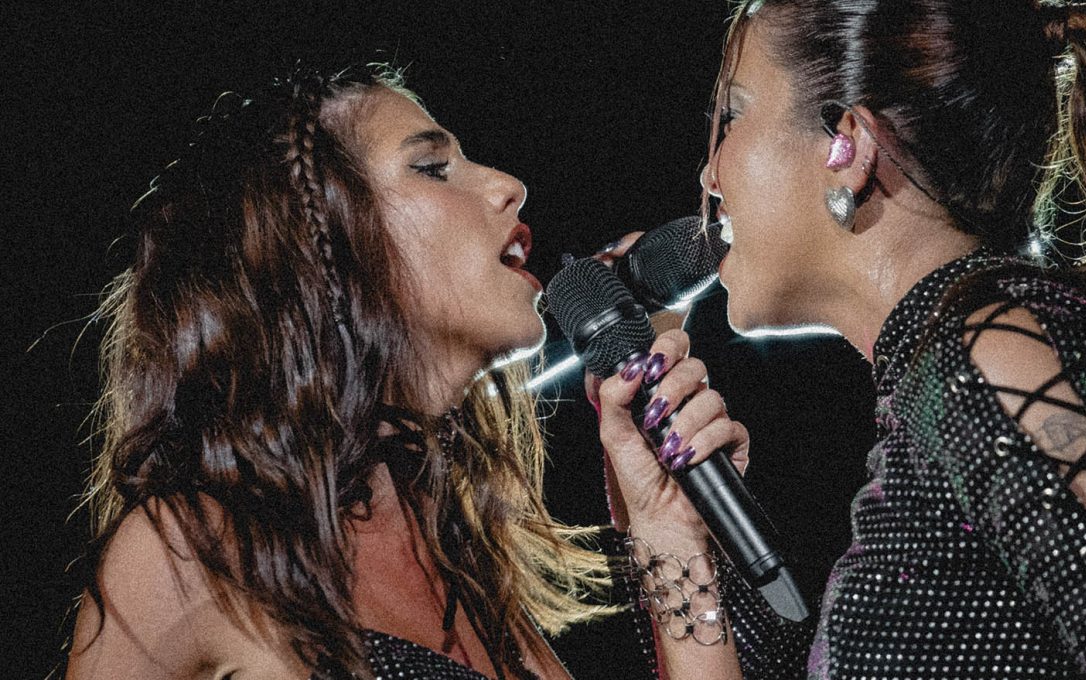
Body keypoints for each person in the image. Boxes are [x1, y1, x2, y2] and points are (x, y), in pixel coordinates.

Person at [65, 62, 754, 679]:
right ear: (316, 249)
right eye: (431, 167)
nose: (510, 188)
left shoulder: (461, 564)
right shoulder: (192, 552)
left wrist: (668, 532)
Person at [694, 0, 1086, 677]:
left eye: (733, 115)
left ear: (848, 147)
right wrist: (672, 524)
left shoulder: (988, 355)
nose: (710, 175)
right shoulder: (947, 374)